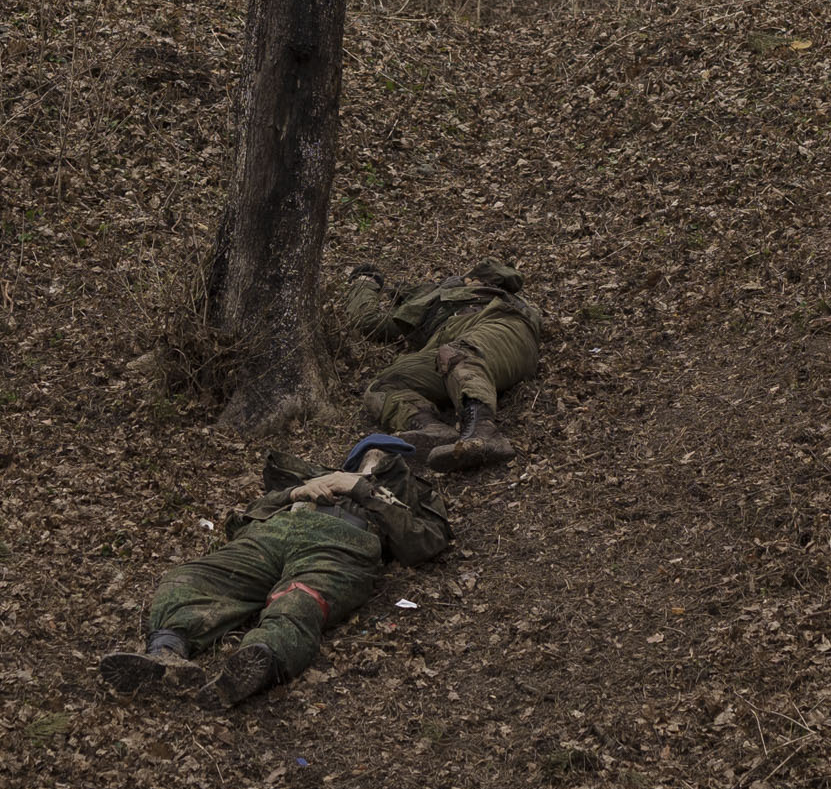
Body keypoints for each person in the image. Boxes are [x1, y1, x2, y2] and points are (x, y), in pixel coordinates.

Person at [100, 439, 456, 710]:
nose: (377, 458)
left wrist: (363, 490)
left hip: (341, 544)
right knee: (192, 578)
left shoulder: (408, 491)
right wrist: (296, 491)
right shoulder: (313, 476)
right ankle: (165, 655)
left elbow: (428, 541)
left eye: (387, 456)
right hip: (269, 534)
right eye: (371, 451)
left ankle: (258, 661)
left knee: (301, 599)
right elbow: (245, 518)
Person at [341, 261, 538, 466]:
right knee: (383, 386)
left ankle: (483, 432)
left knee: (457, 354)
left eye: (470, 278)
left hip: (503, 332)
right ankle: (433, 430)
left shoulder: (500, 303)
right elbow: (368, 322)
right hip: (452, 352)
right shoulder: (437, 303)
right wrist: (364, 284)